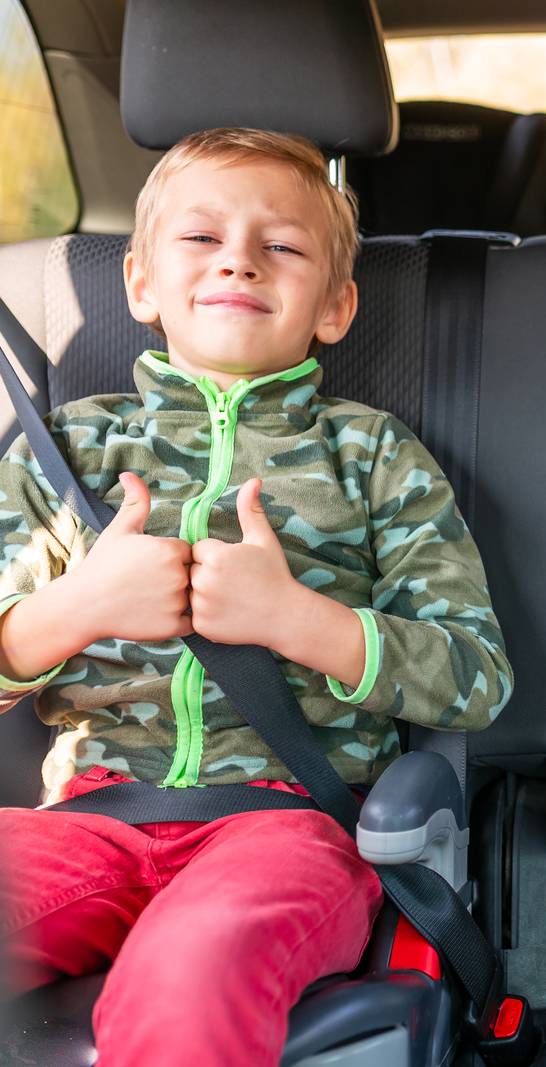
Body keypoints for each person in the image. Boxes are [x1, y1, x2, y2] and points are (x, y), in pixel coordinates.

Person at [0, 127, 513, 1065]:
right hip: (85, 818)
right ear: (141, 285)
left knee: (190, 978)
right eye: (201, 238)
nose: (239, 256)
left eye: (281, 245)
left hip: (287, 827)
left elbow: (475, 676)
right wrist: (83, 605)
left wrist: (298, 623)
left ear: (335, 305)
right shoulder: (65, 452)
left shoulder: (371, 457)